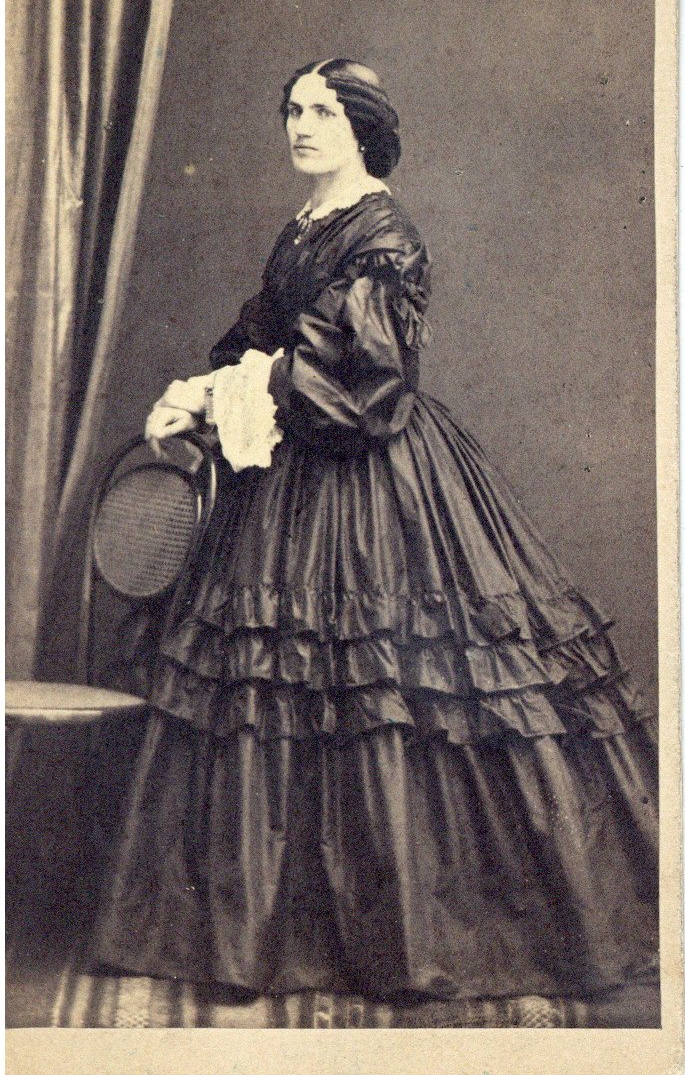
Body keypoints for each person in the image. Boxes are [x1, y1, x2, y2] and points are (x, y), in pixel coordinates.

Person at [92, 58, 658, 1005]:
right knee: (274, 690)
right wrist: (200, 391)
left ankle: (402, 936)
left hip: (370, 477)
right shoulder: (306, 225)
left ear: (363, 127)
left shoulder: (384, 236)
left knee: (389, 693)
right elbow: (262, 340)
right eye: (293, 109)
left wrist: (225, 394)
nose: (302, 125)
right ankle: (259, 929)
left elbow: (368, 390)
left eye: (324, 111)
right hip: (285, 482)